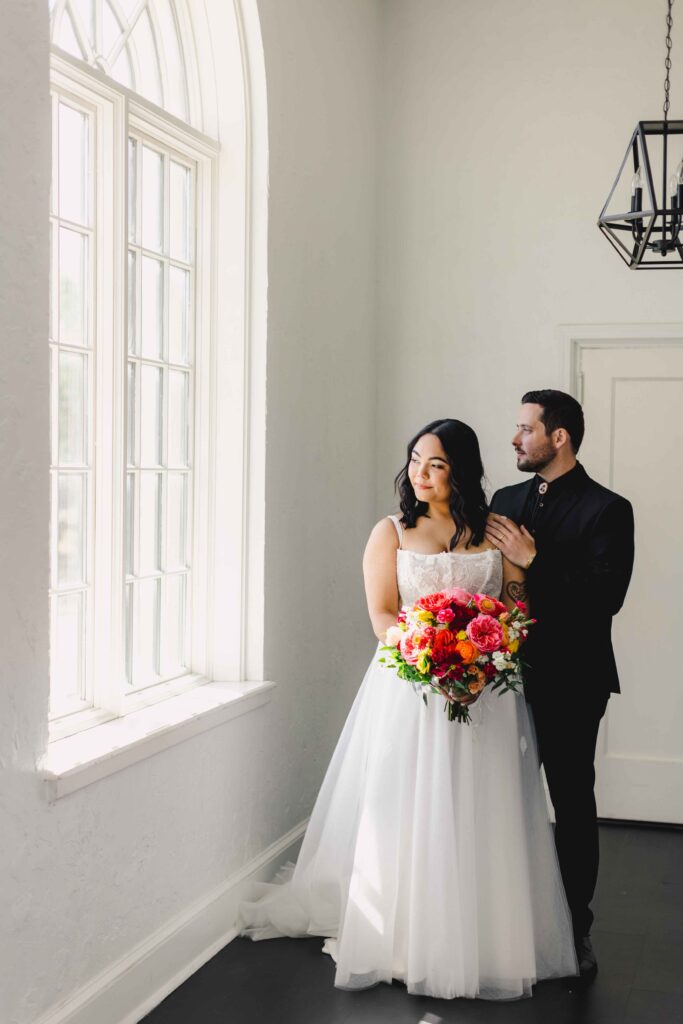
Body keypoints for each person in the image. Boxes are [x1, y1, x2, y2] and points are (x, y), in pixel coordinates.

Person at [239, 419, 577, 1000]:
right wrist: (433, 659)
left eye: (437, 464)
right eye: (416, 460)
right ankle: (398, 934)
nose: (421, 473)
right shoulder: (391, 532)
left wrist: (484, 656)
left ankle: (481, 935)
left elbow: (517, 606)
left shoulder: (496, 531)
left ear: (461, 470)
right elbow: (381, 615)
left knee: (481, 804)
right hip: (410, 687)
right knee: (404, 803)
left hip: (485, 692)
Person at [486, 390, 635, 984]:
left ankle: (575, 928)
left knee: (571, 803)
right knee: (497, 799)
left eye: (525, 429)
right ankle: (501, 918)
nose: (515, 439)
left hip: (573, 680)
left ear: (559, 437)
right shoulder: (503, 501)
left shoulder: (608, 509)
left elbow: (607, 599)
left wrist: (535, 557)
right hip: (498, 678)